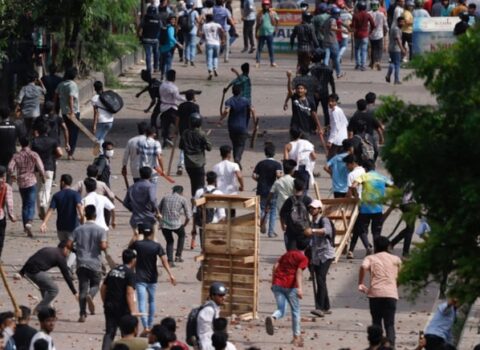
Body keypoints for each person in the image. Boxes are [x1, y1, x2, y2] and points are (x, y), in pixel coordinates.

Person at [129, 223, 176, 335]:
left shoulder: (138, 244)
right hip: (152, 277)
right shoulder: (156, 246)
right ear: (151, 233)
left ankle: (145, 326)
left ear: (142, 233)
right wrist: (171, 274)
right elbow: (164, 261)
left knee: (141, 302)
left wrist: (134, 236)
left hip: (140, 277)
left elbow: (129, 249)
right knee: (151, 301)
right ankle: (149, 325)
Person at [358, 236, 402, 347]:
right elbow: (401, 277)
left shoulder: (371, 258)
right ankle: (390, 347)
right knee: (390, 324)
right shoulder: (396, 259)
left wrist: (361, 283)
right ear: (388, 246)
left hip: (375, 294)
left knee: (376, 323)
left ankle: (377, 347)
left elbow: (363, 267)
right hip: (391, 295)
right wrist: (394, 286)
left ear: (376, 246)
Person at [265, 239, 308, 347]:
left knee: (281, 309)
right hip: (290, 286)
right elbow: (299, 272)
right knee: (295, 311)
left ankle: (273, 317)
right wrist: (300, 288)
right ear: (306, 247)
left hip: (277, 284)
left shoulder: (287, 254)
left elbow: (275, 266)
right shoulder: (303, 258)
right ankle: (296, 337)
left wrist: (272, 282)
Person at [67, 205, 107, 322]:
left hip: (81, 263)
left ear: (85, 215)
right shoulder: (101, 230)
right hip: (95, 263)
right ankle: (91, 294)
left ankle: (82, 314)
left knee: (82, 289)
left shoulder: (78, 229)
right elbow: (103, 246)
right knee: (95, 284)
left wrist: (76, 250)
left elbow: (69, 244)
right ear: (95, 216)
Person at [20, 241, 78, 312]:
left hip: (28, 270)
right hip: (35, 272)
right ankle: (39, 308)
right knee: (54, 289)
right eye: (69, 251)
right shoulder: (60, 257)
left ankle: (47, 308)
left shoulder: (47, 249)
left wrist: (21, 272)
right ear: (65, 248)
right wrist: (75, 292)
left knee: (44, 287)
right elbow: (66, 275)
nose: (68, 254)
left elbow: (31, 258)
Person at [100, 249, 138, 350]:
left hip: (110, 306)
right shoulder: (130, 274)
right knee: (126, 334)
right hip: (123, 309)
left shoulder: (113, 271)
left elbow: (103, 288)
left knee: (109, 333)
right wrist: (133, 311)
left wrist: (106, 302)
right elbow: (129, 292)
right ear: (133, 260)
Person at [8, 137, 45, 237]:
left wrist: (12, 175)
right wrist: (43, 176)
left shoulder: (16, 155)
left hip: (21, 181)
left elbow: (10, 167)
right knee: (31, 203)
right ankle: (29, 222)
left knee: (25, 203)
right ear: (29, 144)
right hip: (31, 180)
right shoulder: (33, 154)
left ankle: (25, 226)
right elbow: (41, 167)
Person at [305, 199, 335, 318]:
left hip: (326, 255)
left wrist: (313, 231)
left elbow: (327, 231)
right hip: (316, 256)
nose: (312, 210)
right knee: (320, 280)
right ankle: (326, 306)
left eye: (314, 208)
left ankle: (319, 307)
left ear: (319, 209)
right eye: (311, 208)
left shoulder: (324, 220)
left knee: (320, 279)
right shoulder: (311, 222)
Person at [218, 84, 257, 166]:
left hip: (232, 127)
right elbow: (253, 110)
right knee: (241, 145)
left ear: (232, 92)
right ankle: (237, 158)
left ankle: (236, 161)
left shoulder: (229, 101)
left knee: (235, 144)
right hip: (243, 127)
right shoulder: (246, 101)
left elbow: (226, 111)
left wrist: (221, 119)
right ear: (241, 92)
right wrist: (255, 123)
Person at [31, 122, 63, 219]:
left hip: (37, 167)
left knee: (38, 189)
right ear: (47, 131)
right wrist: (54, 157)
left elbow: (30, 154)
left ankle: (40, 209)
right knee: (47, 189)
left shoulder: (34, 141)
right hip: (49, 166)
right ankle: (43, 204)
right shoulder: (53, 141)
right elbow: (60, 153)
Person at [40, 174, 83, 241]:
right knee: (73, 248)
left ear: (62, 182)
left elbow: (50, 210)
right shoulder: (76, 194)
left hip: (61, 227)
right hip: (73, 226)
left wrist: (44, 223)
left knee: (63, 248)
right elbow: (79, 207)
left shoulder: (57, 195)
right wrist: (83, 219)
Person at [179, 112, 212, 197]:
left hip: (188, 164)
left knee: (193, 184)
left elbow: (181, 146)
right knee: (200, 187)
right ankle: (198, 206)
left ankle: (194, 202)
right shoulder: (201, 133)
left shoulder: (185, 133)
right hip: (199, 164)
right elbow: (209, 148)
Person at [253, 142, 282, 237]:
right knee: (273, 210)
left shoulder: (260, 163)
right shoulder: (277, 164)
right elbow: (278, 175)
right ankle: (271, 232)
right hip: (273, 190)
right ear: (274, 153)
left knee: (261, 208)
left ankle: (262, 220)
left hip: (261, 189)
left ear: (265, 153)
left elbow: (254, 175)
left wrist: (260, 180)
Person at [191, 171, 227, 249]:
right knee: (213, 249)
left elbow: (194, 211)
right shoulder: (219, 193)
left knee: (203, 249)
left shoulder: (199, 192)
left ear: (206, 180)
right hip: (214, 224)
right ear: (215, 181)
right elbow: (222, 215)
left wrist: (194, 228)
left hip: (202, 225)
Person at [159, 186, 192, 265]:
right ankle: (178, 256)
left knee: (169, 241)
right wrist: (185, 224)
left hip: (165, 223)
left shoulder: (165, 197)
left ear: (173, 191)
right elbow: (188, 216)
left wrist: (160, 222)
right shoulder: (183, 199)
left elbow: (158, 211)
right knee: (182, 235)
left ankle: (170, 261)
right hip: (176, 224)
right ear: (181, 192)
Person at [124, 166, 159, 236]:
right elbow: (152, 200)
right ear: (150, 175)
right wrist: (158, 212)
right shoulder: (151, 186)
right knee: (154, 231)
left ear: (140, 174)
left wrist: (133, 209)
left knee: (136, 237)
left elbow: (125, 203)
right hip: (149, 218)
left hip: (135, 219)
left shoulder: (132, 187)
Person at [283, 74, 321, 139]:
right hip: (295, 128)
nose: (299, 90)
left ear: (305, 90)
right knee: (294, 146)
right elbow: (289, 91)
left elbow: (314, 114)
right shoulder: (295, 98)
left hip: (306, 128)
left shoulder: (310, 101)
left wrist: (319, 127)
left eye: (301, 88)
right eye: (298, 88)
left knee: (305, 146)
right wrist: (289, 78)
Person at [344, 154, 367, 258]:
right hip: (365, 202)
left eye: (347, 165)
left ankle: (367, 246)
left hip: (355, 203)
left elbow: (350, 191)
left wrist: (345, 199)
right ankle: (351, 250)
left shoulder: (351, 175)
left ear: (352, 164)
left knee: (358, 227)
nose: (346, 167)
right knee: (359, 227)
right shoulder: (363, 171)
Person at [280, 178, 312, 250]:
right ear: (303, 188)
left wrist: (283, 225)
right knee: (306, 252)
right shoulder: (307, 199)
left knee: (292, 254)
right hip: (305, 230)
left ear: (294, 187)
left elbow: (282, 213)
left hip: (291, 230)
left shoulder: (289, 200)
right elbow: (313, 213)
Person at [55, 67, 80, 160]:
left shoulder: (61, 84)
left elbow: (55, 96)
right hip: (73, 112)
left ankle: (68, 150)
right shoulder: (72, 85)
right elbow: (71, 98)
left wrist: (55, 109)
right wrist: (72, 111)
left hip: (64, 112)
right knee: (73, 133)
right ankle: (70, 153)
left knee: (67, 131)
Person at [176, 89, 201, 175]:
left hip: (183, 129)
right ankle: (194, 164)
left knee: (183, 147)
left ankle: (180, 165)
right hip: (192, 129)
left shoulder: (181, 106)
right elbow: (198, 118)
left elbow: (178, 118)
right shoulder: (195, 107)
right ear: (193, 97)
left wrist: (176, 128)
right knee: (193, 146)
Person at [15, 71, 46, 137]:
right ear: (35, 79)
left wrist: (17, 108)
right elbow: (45, 91)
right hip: (35, 113)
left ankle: (26, 143)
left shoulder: (24, 88)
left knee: (26, 129)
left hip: (26, 113)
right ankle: (35, 143)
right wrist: (40, 82)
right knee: (35, 129)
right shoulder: (38, 88)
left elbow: (19, 100)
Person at [159, 70, 186, 147]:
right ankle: (182, 140)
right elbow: (177, 97)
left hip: (163, 107)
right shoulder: (173, 87)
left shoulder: (162, 85)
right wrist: (186, 99)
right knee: (179, 124)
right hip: (172, 108)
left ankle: (165, 140)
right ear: (174, 77)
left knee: (165, 125)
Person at [197, 282, 227, 350]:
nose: (223, 298)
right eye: (220, 295)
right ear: (213, 296)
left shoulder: (213, 308)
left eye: (224, 295)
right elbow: (205, 333)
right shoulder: (209, 310)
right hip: (206, 344)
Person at [310, 52, 336, 127]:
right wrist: (334, 93)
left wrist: (314, 91)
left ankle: (313, 126)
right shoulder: (328, 69)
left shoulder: (313, 69)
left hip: (315, 92)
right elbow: (332, 82)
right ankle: (327, 125)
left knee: (314, 110)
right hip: (325, 92)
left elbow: (312, 81)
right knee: (326, 110)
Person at [351, 2, 375, 71]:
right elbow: (373, 25)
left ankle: (358, 64)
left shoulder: (355, 15)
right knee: (364, 50)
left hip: (357, 35)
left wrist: (350, 26)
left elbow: (353, 26)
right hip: (365, 35)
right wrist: (370, 32)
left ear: (358, 7)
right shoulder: (367, 15)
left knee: (357, 49)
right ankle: (363, 65)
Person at [91, 81, 115, 152]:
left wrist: (94, 125)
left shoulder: (94, 98)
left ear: (95, 89)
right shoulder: (107, 96)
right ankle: (105, 152)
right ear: (102, 87)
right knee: (101, 138)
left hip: (101, 121)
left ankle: (102, 154)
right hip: (110, 121)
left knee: (97, 139)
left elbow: (96, 113)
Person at [255, 0, 279, 68]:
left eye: (267, 4)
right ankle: (257, 61)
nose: (266, 6)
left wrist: (276, 28)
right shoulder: (259, 14)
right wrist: (256, 33)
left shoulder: (273, 13)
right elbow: (257, 25)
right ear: (262, 5)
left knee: (270, 48)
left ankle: (272, 62)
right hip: (261, 33)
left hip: (270, 33)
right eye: (265, 5)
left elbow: (277, 19)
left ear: (269, 5)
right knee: (259, 48)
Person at [202, 14, 225, 80]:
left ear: (207, 19)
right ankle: (215, 68)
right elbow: (222, 31)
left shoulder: (205, 25)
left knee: (209, 58)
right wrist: (223, 39)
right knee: (215, 57)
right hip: (217, 43)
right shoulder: (217, 25)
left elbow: (203, 35)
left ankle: (210, 71)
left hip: (209, 43)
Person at [160, 15, 183, 79]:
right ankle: (167, 76)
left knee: (163, 62)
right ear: (169, 20)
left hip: (162, 47)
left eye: (174, 20)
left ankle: (162, 75)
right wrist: (178, 44)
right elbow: (171, 37)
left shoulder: (163, 27)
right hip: (169, 47)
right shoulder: (171, 28)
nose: (173, 21)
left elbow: (159, 36)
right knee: (168, 63)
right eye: (172, 19)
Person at [323, 7, 344, 78]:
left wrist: (326, 34)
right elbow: (332, 27)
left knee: (326, 58)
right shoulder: (333, 20)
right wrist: (341, 30)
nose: (339, 15)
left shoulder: (327, 20)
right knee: (336, 58)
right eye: (338, 14)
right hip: (333, 42)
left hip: (326, 41)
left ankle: (324, 73)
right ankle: (338, 73)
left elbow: (321, 28)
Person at [140, 5, 161, 73]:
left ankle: (149, 69)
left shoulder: (145, 18)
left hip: (146, 39)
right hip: (155, 39)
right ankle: (155, 67)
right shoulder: (158, 19)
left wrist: (138, 35)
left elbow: (140, 27)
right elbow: (161, 27)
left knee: (148, 54)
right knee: (156, 53)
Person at [326, 93, 348, 160]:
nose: (330, 103)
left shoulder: (334, 112)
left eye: (332, 101)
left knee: (330, 159)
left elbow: (336, 128)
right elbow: (345, 122)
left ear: (336, 102)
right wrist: (328, 127)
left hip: (336, 140)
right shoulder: (339, 109)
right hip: (343, 138)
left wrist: (330, 141)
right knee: (341, 158)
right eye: (329, 101)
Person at [386, 16, 407, 85]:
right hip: (396, 49)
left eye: (403, 22)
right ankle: (396, 79)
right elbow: (397, 39)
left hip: (392, 48)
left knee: (393, 62)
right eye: (401, 22)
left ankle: (388, 74)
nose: (403, 23)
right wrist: (402, 49)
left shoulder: (394, 28)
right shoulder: (396, 29)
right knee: (397, 64)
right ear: (398, 22)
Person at [0, 166, 15, 258]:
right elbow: (9, 202)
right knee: (0, 239)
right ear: (4, 175)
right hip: (0, 217)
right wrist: (11, 215)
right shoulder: (6, 187)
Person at [369, 0, 388, 70]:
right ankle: (378, 61)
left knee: (373, 49)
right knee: (379, 49)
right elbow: (385, 24)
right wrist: (386, 31)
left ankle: (373, 62)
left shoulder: (368, 14)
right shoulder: (381, 14)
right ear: (378, 6)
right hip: (379, 34)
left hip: (371, 34)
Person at [180, 2, 200, 66]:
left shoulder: (183, 12)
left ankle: (186, 59)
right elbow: (198, 21)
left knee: (187, 45)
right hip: (193, 30)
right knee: (193, 45)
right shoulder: (195, 12)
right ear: (192, 6)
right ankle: (192, 59)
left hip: (185, 30)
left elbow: (178, 17)